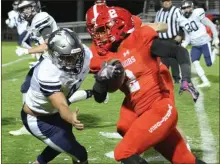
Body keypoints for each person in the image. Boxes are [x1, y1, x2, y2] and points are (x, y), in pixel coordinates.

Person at [93, 7, 204, 163]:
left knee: (123, 152)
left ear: (118, 26)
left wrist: (186, 78)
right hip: (144, 115)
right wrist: (100, 80)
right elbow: (99, 97)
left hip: (160, 109)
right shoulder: (109, 56)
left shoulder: (140, 39)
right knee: (186, 160)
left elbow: (179, 52)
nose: (101, 35)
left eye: (105, 30)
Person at [21, 28, 93, 164]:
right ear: (54, 55)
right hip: (39, 119)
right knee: (80, 154)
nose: (74, 61)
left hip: (53, 113)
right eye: (67, 58)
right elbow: (60, 103)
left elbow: (99, 64)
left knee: (63, 145)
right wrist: (69, 116)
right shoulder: (47, 71)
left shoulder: (85, 53)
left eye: (76, 56)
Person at [9, 0, 58, 136]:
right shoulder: (33, 21)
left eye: (27, 8)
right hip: (48, 59)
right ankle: (32, 123)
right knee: (30, 88)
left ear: (35, 6)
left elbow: (49, 44)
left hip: (55, 60)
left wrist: (26, 51)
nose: (24, 11)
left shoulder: (41, 18)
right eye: (22, 9)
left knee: (52, 94)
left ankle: (31, 124)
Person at [180, 0, 219, 87]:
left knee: (209, 64)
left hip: (204, 42)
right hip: (195, 45)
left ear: (192, 7)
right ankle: (206, 82)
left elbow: (211, 25)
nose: (186, 10)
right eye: (184, 8)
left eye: (188, 7)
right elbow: (187, 35)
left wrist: (215, 37)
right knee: (195, 62)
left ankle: (215, 52)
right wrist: (185, 43)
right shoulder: (182, 20)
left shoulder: (197, 13)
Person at [154, 0, 183, 83]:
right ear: (162, 3)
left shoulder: (176, 10)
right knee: (163, 61)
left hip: (172, 39)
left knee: (173, 60)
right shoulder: (159, 12)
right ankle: (165, 78)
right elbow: (156, 26)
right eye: (164, 1)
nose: (166, 3)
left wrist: (180, 35)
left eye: (168, 1)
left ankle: (176, 78)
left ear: (171, 1)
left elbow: (182, 23)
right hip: (161, 40)